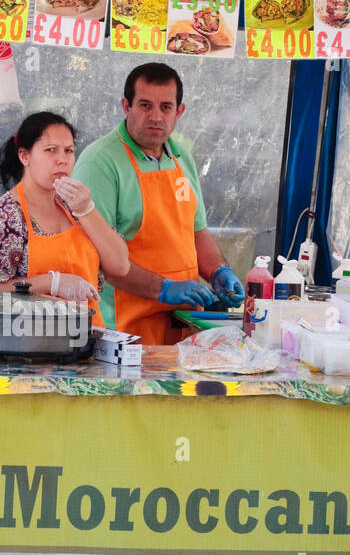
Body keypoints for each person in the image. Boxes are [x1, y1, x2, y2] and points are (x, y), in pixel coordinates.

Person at [72, 62, 245, 344]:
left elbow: (196, 231)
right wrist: (164, 288)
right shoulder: (100, 162)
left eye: (165, 107)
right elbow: (96, 258)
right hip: (123, 332)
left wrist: (218, 271)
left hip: (183, 326)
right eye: (144, 105)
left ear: (179, 111)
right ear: (126, 106)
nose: (155, 116)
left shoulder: (181, 157)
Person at [0, 111, 129, 327]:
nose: (62, 160)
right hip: (26, 347)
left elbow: (120, 266)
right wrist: (51, 283)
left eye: (69, 151)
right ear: (25, 156)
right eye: (50, 150)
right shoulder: (3, 218)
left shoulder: (74, 208)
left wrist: (87, 209)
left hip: (85, 344)